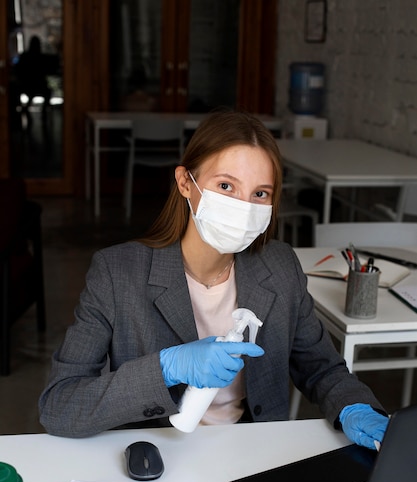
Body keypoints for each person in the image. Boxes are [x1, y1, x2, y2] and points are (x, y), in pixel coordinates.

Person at [39, 109, 388, 448]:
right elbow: (59, 406)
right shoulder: (118, 273)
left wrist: (355, 407)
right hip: (159, 456)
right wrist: (165, 368)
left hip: (251, 456)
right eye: (226, 185)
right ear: (185, 183)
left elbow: (322, 370)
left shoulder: (280, 267)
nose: (244, 206)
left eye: (260, 193)